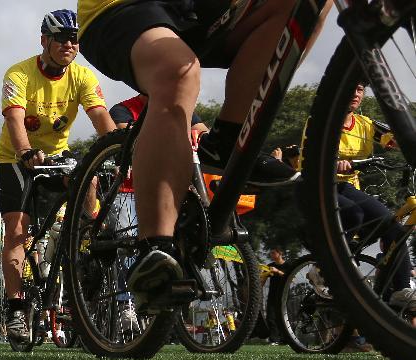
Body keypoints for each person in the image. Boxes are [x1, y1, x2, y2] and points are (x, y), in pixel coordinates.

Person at [78, 0, 308, 302]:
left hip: (198, 9)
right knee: (177, 72)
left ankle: (228, 144)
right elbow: (113, 126)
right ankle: (156, 248)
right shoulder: (124, 109)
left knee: (300, 9)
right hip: (123, 7)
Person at [0, 9, 116, 343]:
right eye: (61, 37)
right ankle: (17, 309)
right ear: (44, 41)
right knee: (17, 232)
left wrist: (118, 150)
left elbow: (100, 118)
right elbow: (16, 121)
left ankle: (86, 236)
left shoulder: (82, 77)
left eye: (74, 38)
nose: (68, 43)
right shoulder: (18, 74)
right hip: (17, 159)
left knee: (89, 178)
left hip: (57, 156)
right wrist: (24, 152)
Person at [329, 82, 415, 312]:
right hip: (323, 187)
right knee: (354, 214)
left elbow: (392, 138)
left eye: (359, 89)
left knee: (393, 227)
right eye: (352, 87)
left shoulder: (365, 124)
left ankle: (400, 290)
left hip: (349, 190)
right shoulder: (322, 123)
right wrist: (334, 162)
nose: (355, 94)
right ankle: (327, 267)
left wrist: (402, 143)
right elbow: (308, 154)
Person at [264, 248, 289, 345]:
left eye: (273, 253)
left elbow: (291, 278)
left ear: (280, 253)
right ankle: (274, 339)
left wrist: (277, 271)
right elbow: (263, 279)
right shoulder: (270, 266)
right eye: (271, 253)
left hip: (284, 294)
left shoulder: (288, 265)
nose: (272, 255)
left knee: (283, 317)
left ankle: (285, 339)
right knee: (270, 317)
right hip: (272, 295)